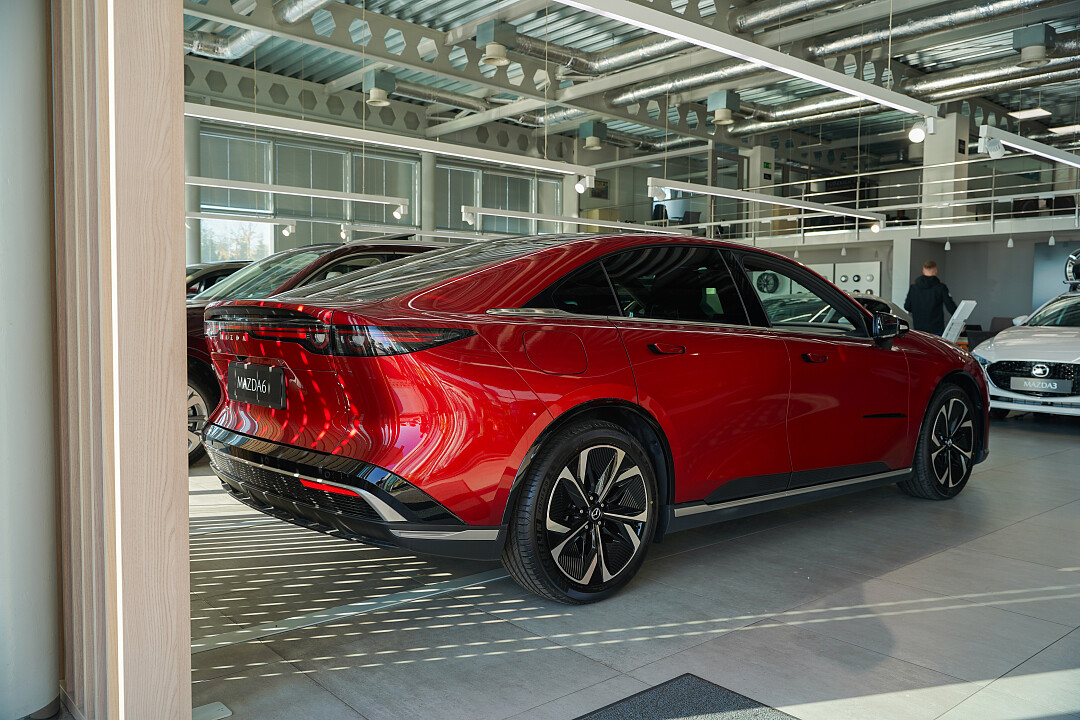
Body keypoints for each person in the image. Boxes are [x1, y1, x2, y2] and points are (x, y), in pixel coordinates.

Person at [905, 260, 957, 335]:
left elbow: (907, 307)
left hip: (919, 328)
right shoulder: (941, 287)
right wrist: (959, 322)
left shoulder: (913, 288)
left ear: (923, 271)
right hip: (936, 328)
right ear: (935, 271)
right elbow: (950, 306)